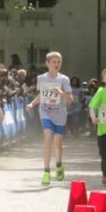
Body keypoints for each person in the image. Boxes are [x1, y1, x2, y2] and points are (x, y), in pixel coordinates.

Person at [25, 51, 74, 185]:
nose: (57, 64)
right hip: (45, 112)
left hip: (60, 114)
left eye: (59, 62)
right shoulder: (41, 78)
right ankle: (46, 172)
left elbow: (70, 99)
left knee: (57, 143)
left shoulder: (64, 79)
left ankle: (58, 165)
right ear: (47, 64)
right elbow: (42, 95)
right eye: (54, 62)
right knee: (47, 139)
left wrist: (61, 93)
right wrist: (32, 103)